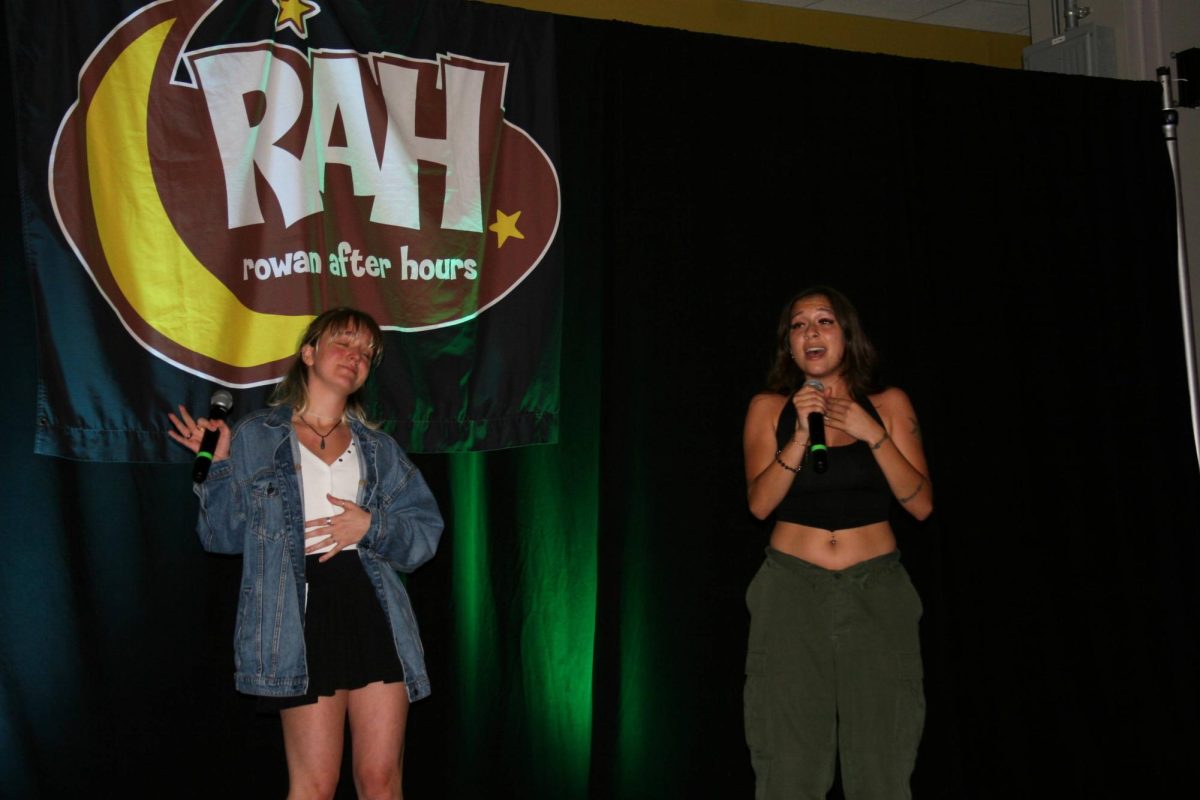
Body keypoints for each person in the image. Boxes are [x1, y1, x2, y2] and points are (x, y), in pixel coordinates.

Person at [168, 308, 443, 800]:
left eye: (365, 354)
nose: (354, 358)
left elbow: (425, 533)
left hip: (374, 610)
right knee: (315, 785)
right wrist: (222, 467)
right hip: (298, 617)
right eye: (344, 343)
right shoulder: (256, 436)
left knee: (381, 781)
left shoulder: (379, 449)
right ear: (309, 352)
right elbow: (221, 539)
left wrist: (371, 525)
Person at [742, 287, 932, 800]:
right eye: (798, 326)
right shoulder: (768, 409)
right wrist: (801, 434)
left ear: (847, 335)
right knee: (789, 758)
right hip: (790, 588)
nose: (811, 333)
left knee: (882, 756)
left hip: (877, 589)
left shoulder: (890, 406)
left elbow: (921, 504)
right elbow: (759, 505)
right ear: (790, 345)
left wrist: (874, 435)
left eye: (824, 321)